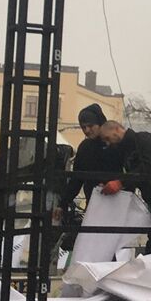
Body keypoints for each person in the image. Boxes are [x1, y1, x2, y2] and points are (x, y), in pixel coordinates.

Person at [96, 118, 151, 255]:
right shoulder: (124, 151)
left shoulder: (143, 139)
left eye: (108, 138)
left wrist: (120, 182)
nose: (108, 143)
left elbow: (148, 166)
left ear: (117, 129)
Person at [59, 104, 125, 252]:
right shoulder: (85, 148)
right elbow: (76, 179)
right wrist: (63, 203)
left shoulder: (115, 145)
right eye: (83, 127)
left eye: (90, 126)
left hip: (114, 202)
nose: (87, 130)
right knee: (98, 245)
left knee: (102, 244)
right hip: (95, 203)